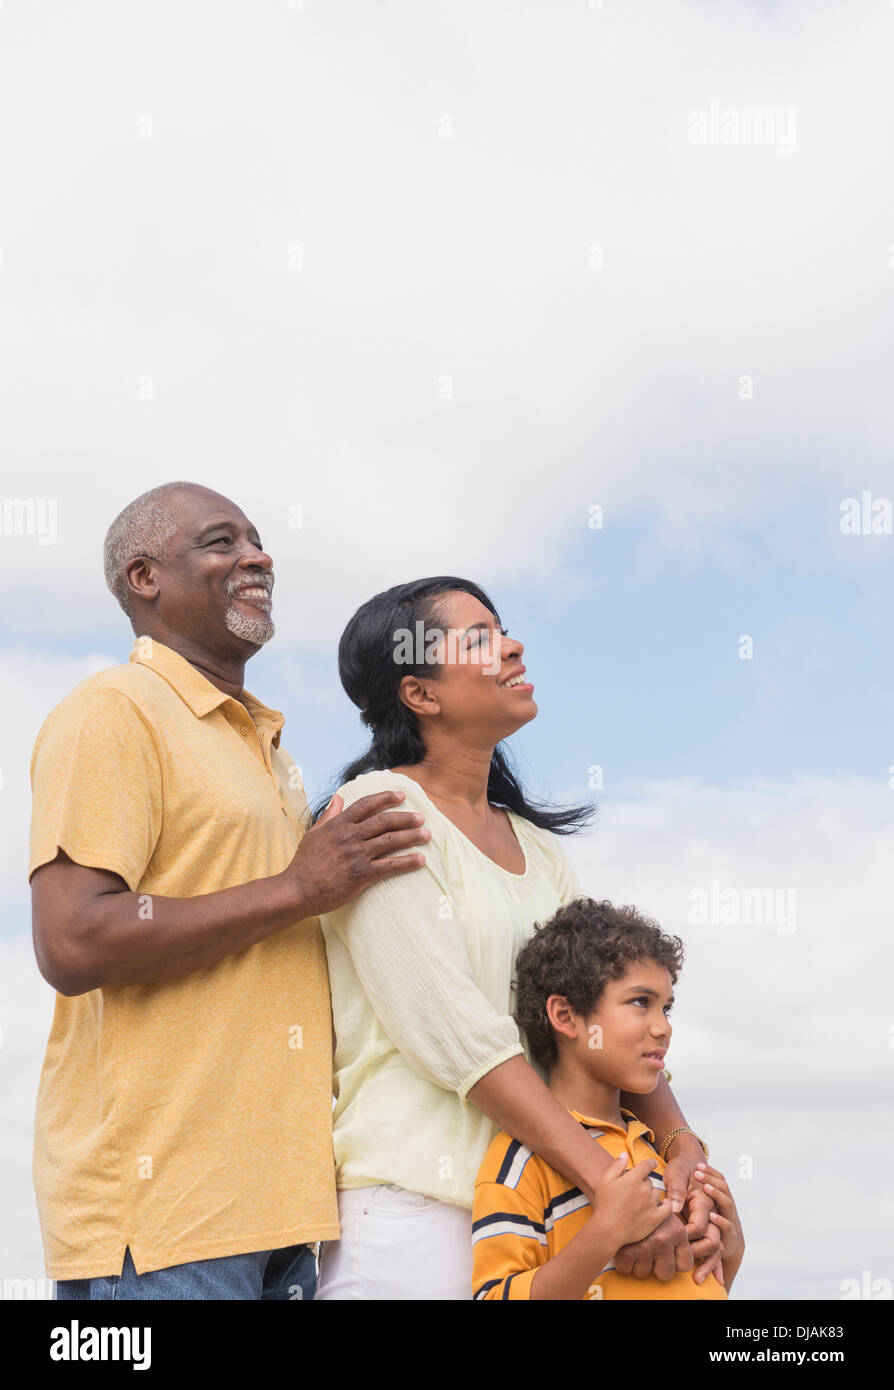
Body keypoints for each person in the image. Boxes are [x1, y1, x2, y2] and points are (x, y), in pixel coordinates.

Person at [28, 481, 430, 1300]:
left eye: (257, 539)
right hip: (165, 1225)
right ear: (145, 578)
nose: (258, 557)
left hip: (285, 1221)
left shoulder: (261, 740)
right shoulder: (115, 710)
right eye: (222, 542)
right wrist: (296, 887)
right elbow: (71, 943)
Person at [314, 576, 723, 1299]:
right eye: (479, 639)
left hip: (547, 1212)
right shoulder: (377, 811)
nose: (514, 645)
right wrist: (615, 1188)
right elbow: (460, 1035)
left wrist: (680, 1150)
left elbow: (603, 1014)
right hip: (418, 1215)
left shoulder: (539, 849)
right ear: (421, 694)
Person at [472, 897, 745, 1299]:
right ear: (565, 1016)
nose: (663, 1028)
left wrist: (731, 1253)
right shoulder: (521, 1160)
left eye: (666, 1008)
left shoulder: (666, 1156)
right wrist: (605, 1235)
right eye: (640, 1003)